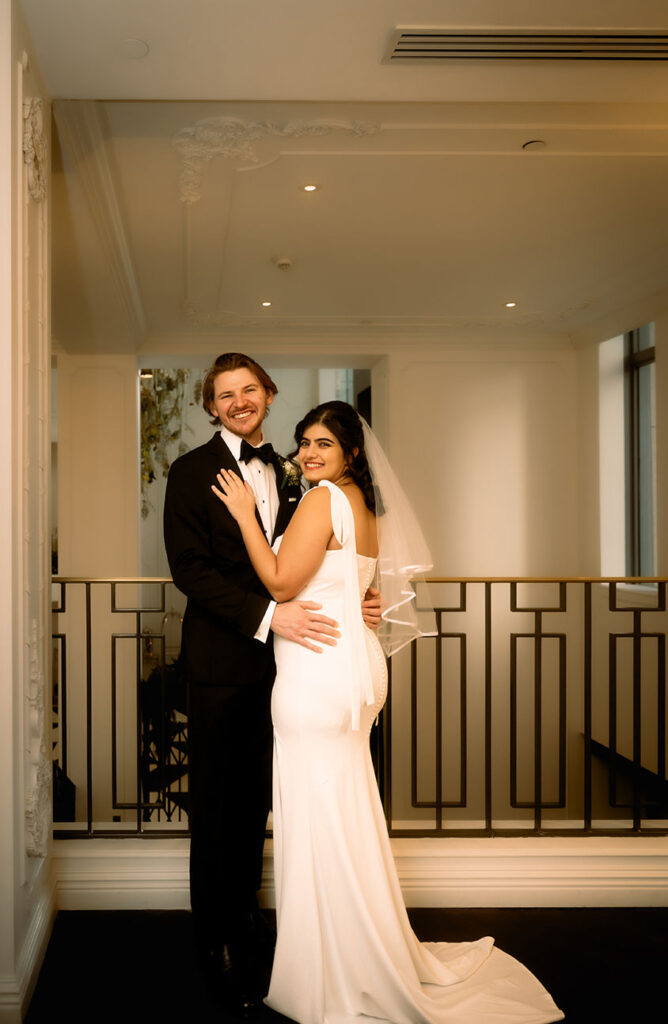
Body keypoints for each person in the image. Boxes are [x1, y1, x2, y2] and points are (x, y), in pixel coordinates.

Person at [213, 400, 565, 1024]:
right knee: (345, 810)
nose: (309, 454)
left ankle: (333, 968)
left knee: (319, 815)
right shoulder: (364, 507)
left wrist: (245, 516)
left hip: (319, 675)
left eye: (323, 443)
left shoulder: (322, 500)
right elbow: (351, 588)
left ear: (351, 452)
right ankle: (359, 949)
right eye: (304, 443)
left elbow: (280, 583)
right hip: (355, 667)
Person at [163, 354, 381, 1017]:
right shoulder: (191, 472)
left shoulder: (297, 471)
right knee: (216, 809)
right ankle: (215, 945)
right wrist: (268, 615)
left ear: (268, 394)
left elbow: (319, 558)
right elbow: (191, 571)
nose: (239, 402)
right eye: (225, 394)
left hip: (291, 670)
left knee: (260, 802)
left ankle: (250, 918)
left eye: (249, 389)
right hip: (222, 666)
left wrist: (355, 600)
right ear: (211, 406)